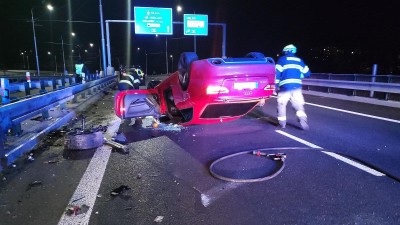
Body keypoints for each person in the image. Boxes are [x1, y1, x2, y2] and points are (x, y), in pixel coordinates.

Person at [275, 44, 310, 130]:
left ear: (286, 51)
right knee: (298, 105)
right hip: (297, 87)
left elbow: (277, 74)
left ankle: (282, 124)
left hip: (285, 87)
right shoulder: (299, 60)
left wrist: (275, 86)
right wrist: (299, 74)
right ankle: (303, 120)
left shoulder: (282, 60)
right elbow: (308, 73)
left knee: (282, 104)